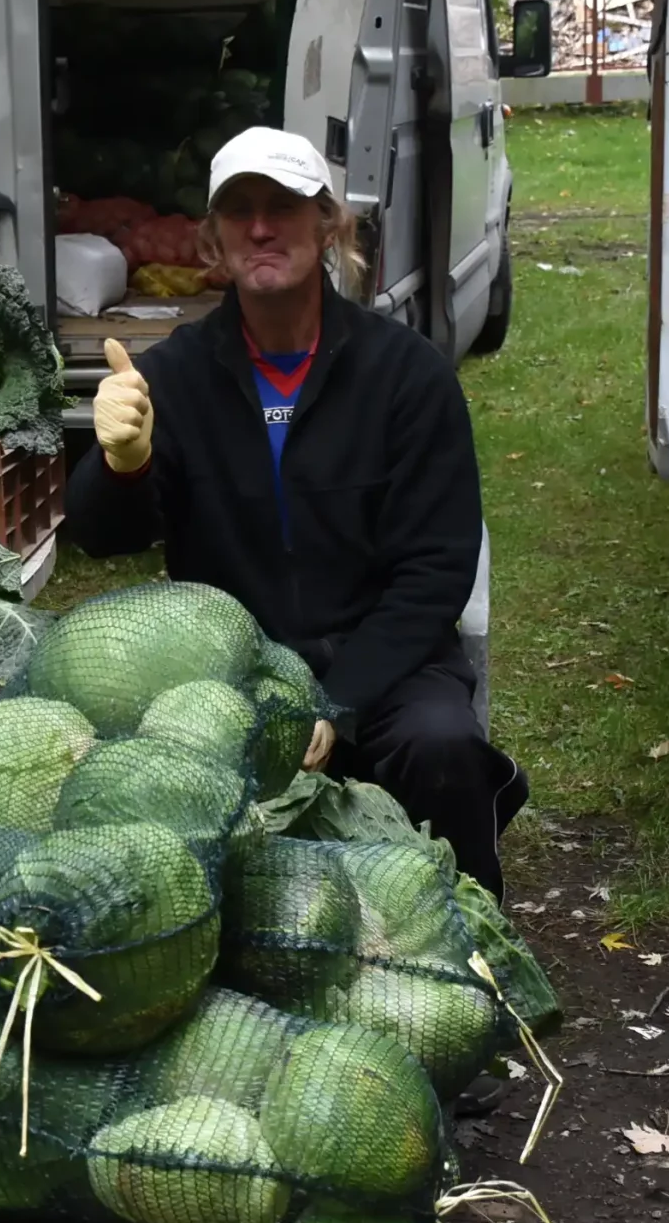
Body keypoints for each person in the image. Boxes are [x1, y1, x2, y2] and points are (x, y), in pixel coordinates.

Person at [64, 126, 527, 894]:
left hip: (384, 666)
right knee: (154, 794)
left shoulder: (406, 376)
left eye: (282, 205)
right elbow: (102, 537)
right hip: (231, 672)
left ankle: (469, 946)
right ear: (213, 239)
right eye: (238, 210)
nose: (260, 227)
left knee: (440, 744)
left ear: (329, 224)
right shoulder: (177, 377)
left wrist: (337, 702)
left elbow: (435, 571)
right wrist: (122, 461)